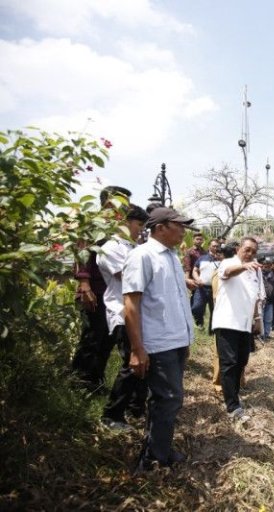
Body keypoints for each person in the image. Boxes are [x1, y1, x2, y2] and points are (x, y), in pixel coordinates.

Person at [122, 207, 195, 470]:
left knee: (166, 400)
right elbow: (131, 304)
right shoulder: (142, 256)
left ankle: (158, 450)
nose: (184, 231)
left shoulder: (172, 257)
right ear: (161, 227)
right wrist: (137, 348)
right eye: (180, 225)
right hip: (160, 343)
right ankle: (153, 459)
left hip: (176, 341)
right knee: (169, 399)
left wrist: (186, 338)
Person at [72, 185, 132, 392]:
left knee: (107, 339)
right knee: (92, 337)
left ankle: (95, 381)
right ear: (108, 201)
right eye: (122, 201)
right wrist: (84, 284)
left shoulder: (119, 228)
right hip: (94, 291)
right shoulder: (93, 224)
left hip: (111, 292)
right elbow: (82, 254)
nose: (126, 206)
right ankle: (80, 382)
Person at [97, 204, 149, 430]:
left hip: (140, 313)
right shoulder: (111, 248)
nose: (141, 230)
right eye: (139, 225)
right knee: (131, 363)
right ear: (124, 222)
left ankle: (136, 409)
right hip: (122, 312)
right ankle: (111, 415)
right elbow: (126, 275)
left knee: (143, 364)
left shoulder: (135, 247)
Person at [211, 237, 264, 422]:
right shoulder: (228, 263)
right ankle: (232, 407)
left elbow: (255, 296)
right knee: (229, 363)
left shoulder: (255, 271)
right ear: (238, 248)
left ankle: (233, 394)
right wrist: (243, 266)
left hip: (245, 324)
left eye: (254, 252)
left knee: (242, 361)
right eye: (247, 250)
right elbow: (227, 273)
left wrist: (257, 318)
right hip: (227, 322)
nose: (250, 254)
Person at [191, 239, 221, 332]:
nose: (215, 248)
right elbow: (195, 270)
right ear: (209, 246)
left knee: (214, 310)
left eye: (217, 246)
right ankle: (199, 323)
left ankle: (212, 331)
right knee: (196, 307)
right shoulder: (202, 258)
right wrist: (197, 279)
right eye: (213, 246)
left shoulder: (222, 259)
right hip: (201, 288)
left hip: (216, 289)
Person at [261, 258, 274, 339]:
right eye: (265, 267)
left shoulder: (272, 275)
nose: (266, 268)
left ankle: (266, 334)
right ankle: (261, 335)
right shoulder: (259, 275)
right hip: (262, 300)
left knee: (268, 319)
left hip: (270, 301)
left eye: (268, 267)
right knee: (261, 318)